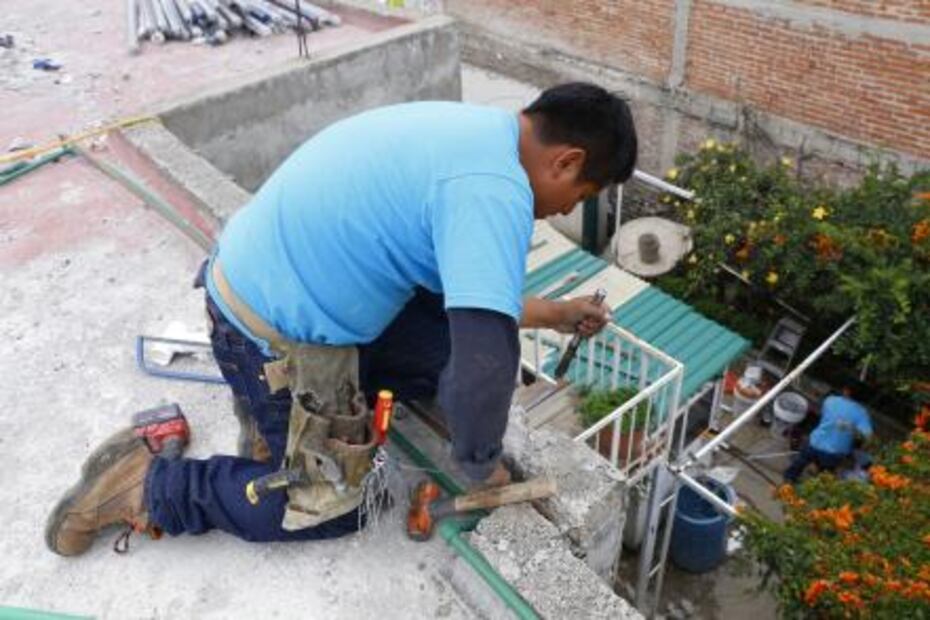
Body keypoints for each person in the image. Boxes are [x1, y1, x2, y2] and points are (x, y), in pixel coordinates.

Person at [45, 83, 638, 555]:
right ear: (567, 161)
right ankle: (148, 486)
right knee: (336, 507)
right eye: (582, 195)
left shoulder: (479, 132)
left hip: (251, 288)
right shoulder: (495, 191)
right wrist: (481, 466)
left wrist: (556, 313)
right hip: (269, 338)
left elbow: (468, 301)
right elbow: (484, 361)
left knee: (438, 339)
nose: (568, 208)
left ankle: (268, 423)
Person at [783, 388, 873, 484]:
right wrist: (851, 430)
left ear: (846, 391)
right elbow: (868, 435)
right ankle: (817, 486)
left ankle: (790, 478)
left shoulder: (830, 400)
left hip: (815, 442)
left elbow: (824, 415)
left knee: (801, 461)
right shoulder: (862, 413)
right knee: (825, 474)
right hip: (835, 452)